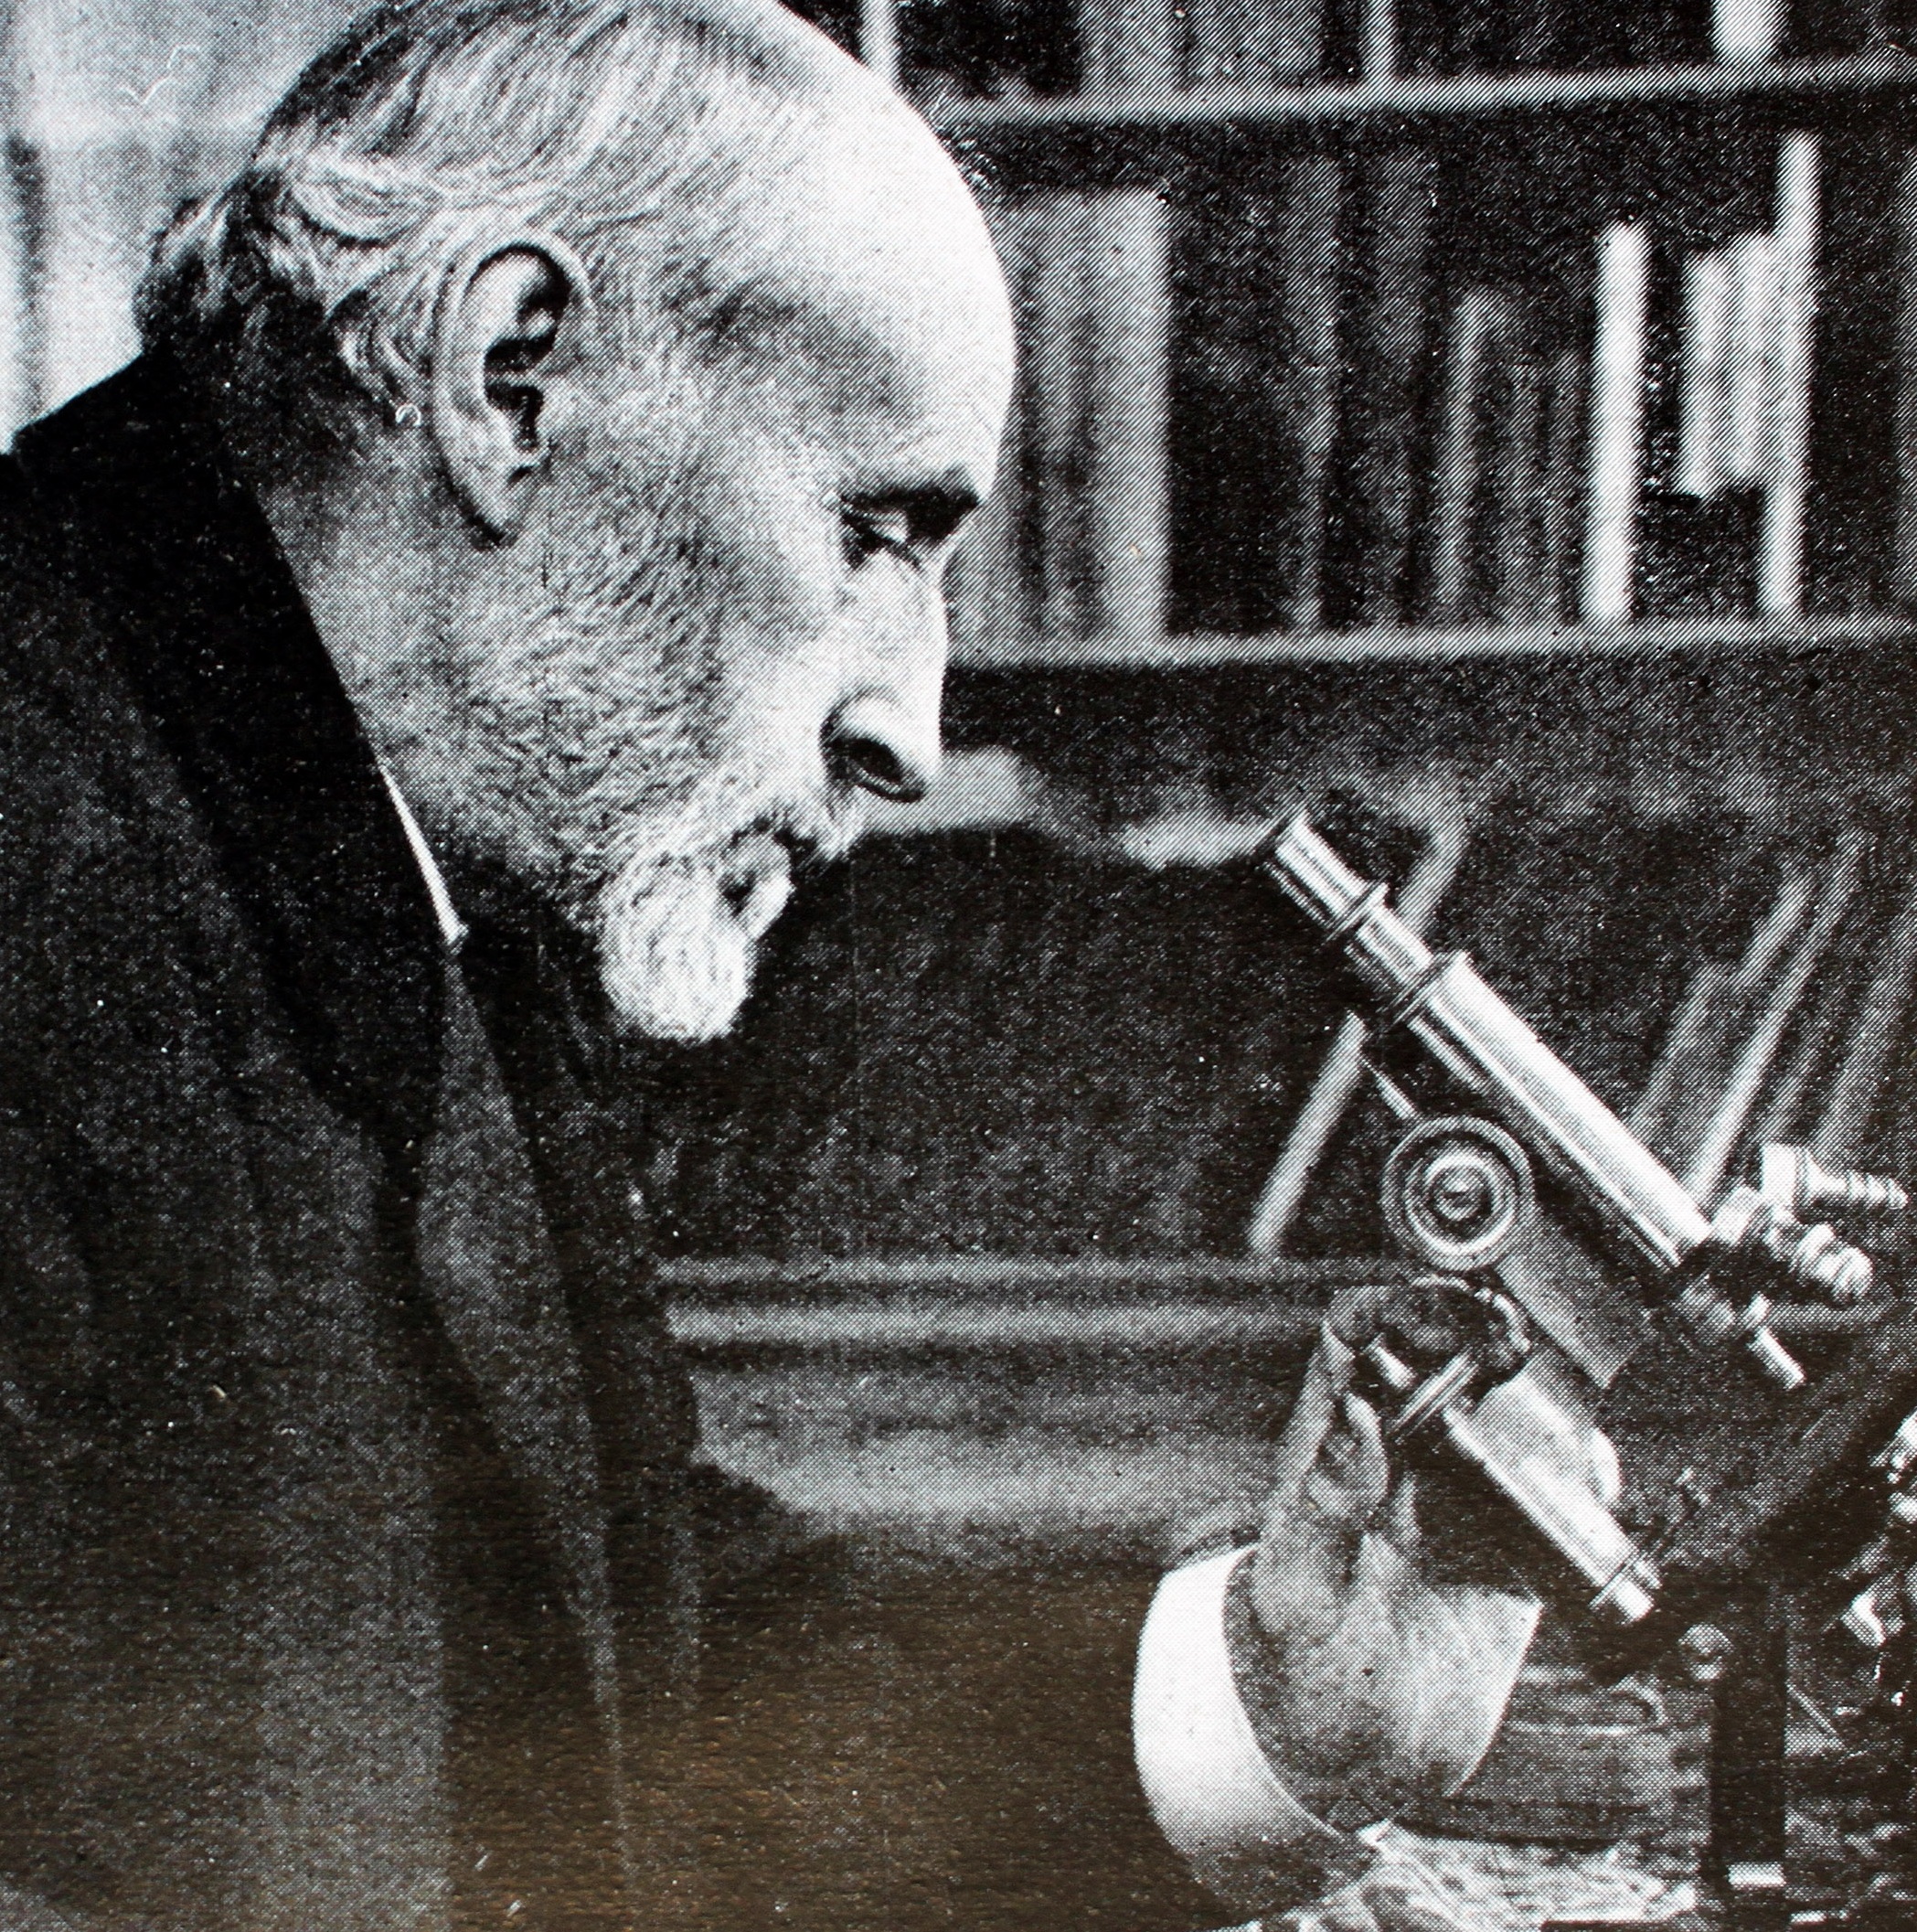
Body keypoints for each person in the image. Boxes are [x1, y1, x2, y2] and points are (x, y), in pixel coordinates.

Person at [0, 1, 1582, 1925]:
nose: (910, 733)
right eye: (876, 531)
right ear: (513, 379)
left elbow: (628, 1674)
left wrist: (1274, 1707)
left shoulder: (405, 832)